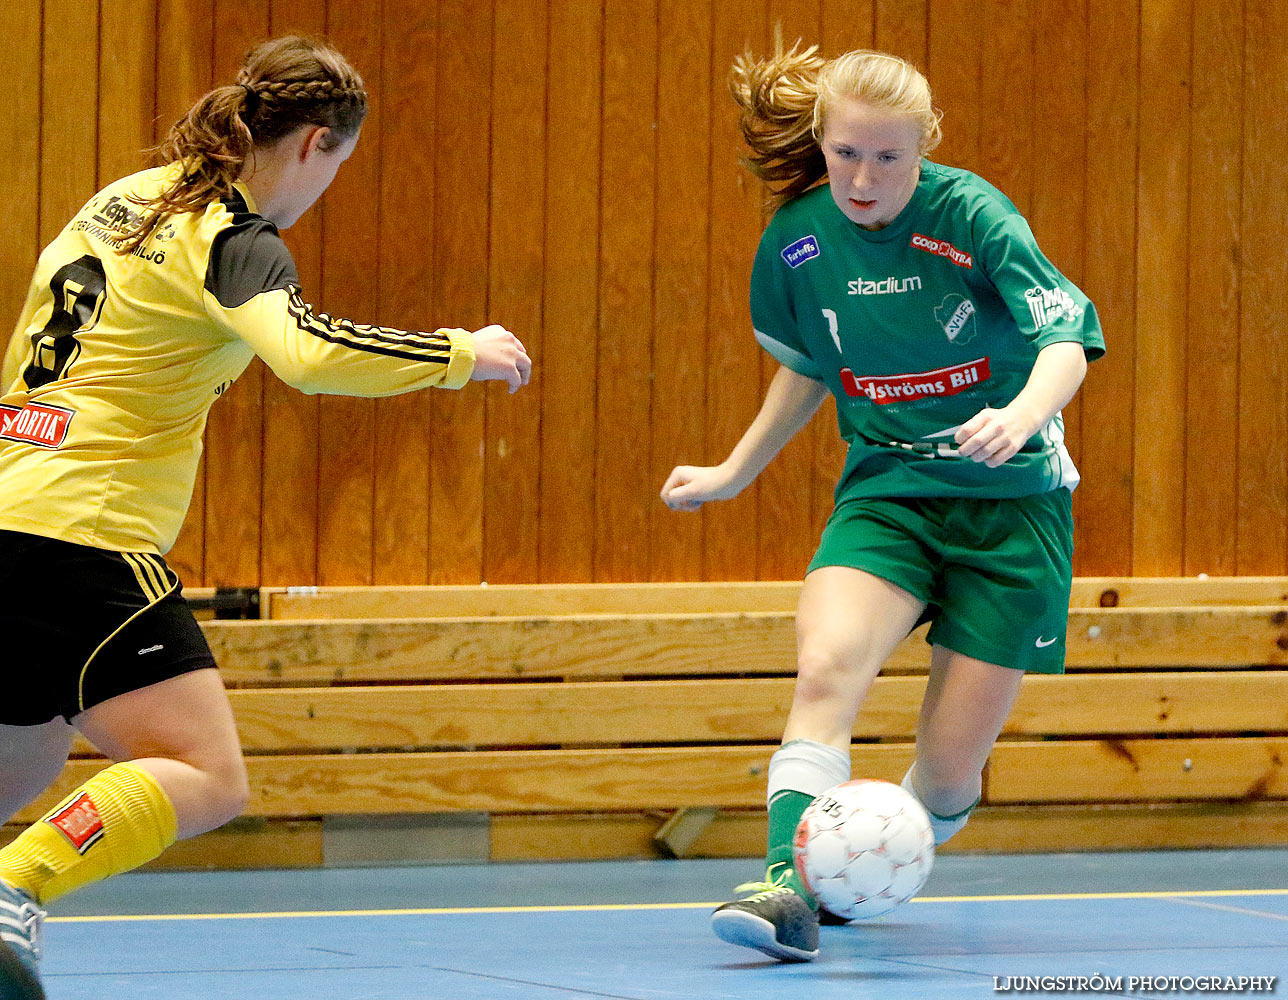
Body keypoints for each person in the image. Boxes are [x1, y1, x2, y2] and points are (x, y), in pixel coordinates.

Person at [0, 35, 530, 991]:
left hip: (7, 510)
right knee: (207, 777)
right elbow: (309, 355)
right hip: (85, 531)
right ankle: (13, 888)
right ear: (316, 144)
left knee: (18, 768)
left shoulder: (122, 199)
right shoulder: (231, 234)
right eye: (339, 168)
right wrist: (459, 354)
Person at [660, 41, 1103, 963]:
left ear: (924, 145)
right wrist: (735, 470)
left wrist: (1020, 414)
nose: (864, 178)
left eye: (889, 157)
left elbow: (1067, 337)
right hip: (890, 492)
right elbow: (807, 366)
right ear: (822, 142)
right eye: (846, 153)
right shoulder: (799, 239)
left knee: (945, 781)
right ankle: (788, 885)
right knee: (825, 669)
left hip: (1011, 507)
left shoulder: (974, 216)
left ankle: (879, 851)